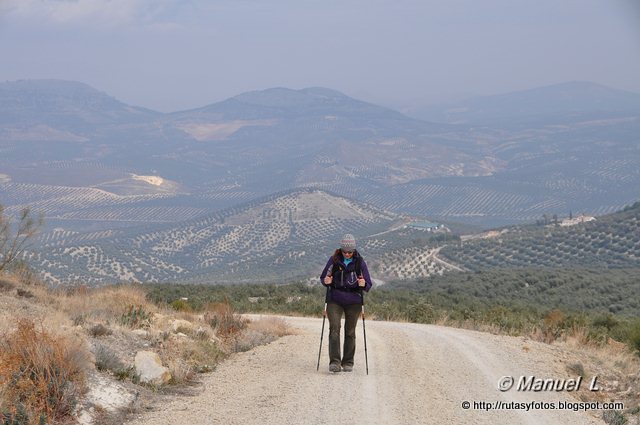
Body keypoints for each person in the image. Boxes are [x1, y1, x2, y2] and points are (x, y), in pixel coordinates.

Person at [319, 233, 372, 373]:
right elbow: (323, 277)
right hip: (335, 299)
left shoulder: (360, 262)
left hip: (354, 301)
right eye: (345, 252)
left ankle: (348, 362)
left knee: (350, 332)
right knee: (334, 329)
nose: (347, 254)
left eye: (350, 252)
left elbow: (368, 285)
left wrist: (363, 283)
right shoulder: (334, 260)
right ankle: (335, 362)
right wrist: (326, 281)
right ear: (341, 250)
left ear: (354, 250)